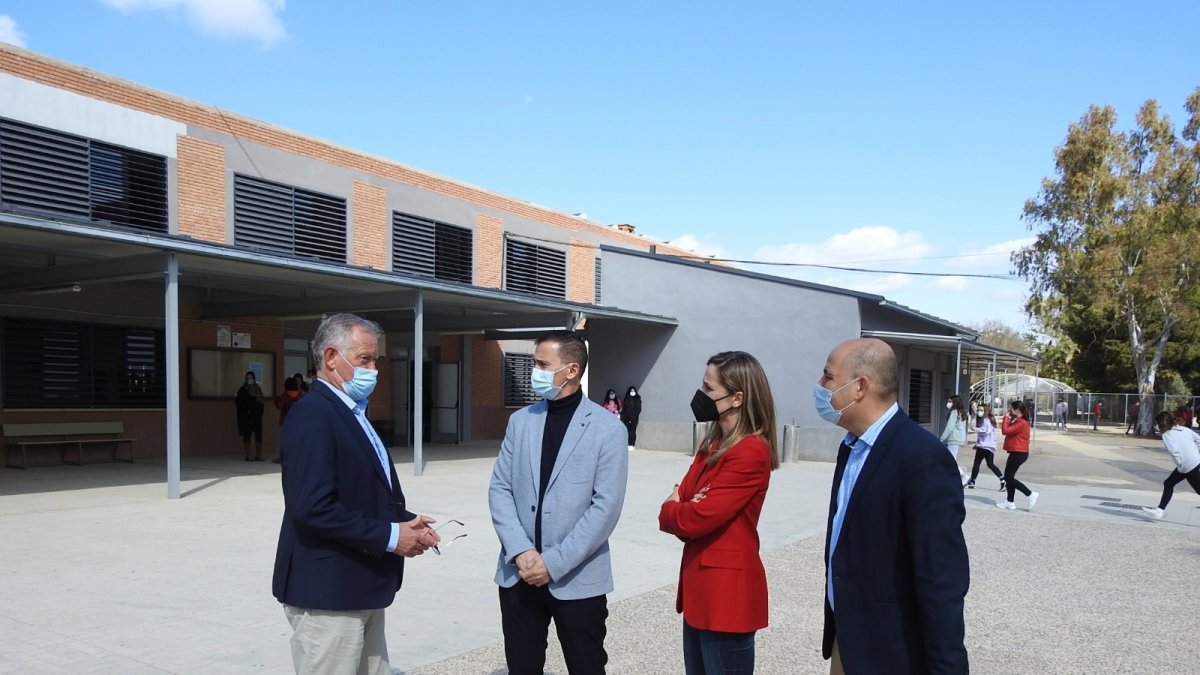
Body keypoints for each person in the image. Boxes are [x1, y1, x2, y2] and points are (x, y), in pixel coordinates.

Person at [272, 313, 441, 675]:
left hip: (360, 585)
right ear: (331, 357)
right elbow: (312, 507)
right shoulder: (313, 415)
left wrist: (405, 522)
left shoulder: (351, 412)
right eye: (365, 359)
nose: (374, 369)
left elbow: (361, 490)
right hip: (328, 594)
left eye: (375, 359)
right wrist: (392, 536)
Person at [815, 338, 969, 673]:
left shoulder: (922, 458)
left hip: (892, 653)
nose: (820, 386)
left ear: (860, 387)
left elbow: (941, 579)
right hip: (850, 641)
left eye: (827, 377)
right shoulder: (852, 447)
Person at [488, 330, 629, 675]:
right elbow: (500, 490)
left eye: (540, 364)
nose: (534, 371)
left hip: (577, 577)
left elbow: (604, 509)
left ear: (571, 370)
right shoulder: (521, 422)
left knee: (586, 666)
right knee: (522, 667)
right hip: (518, 574)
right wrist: (521, 551)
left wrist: (552, 563)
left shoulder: (607, 429)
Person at [659, 351, 779, 674]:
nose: (702, 395)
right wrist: (682, 506)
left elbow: (696, 518)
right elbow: (683, 501)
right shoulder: (712, 442)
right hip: (701, 593)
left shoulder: (751, 451)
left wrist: (678, 509)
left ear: (737, 398)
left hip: (727, 599)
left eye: (709, 389)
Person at [1142, 411, 1200, 520]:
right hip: (1194, 462)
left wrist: (1180, 464)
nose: (1156, 425)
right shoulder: (1185, 429)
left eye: (1157, 423)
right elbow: (1198, 440)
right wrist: (1195, 453)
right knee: (1168, 483)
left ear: (1162, 423)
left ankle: (1159, 511)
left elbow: (1174, 452)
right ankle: (1159, 510)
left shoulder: (1167, 435)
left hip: (1186, 465)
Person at [996, 400, 1039, 511]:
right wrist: (1010, 419)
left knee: (1008, 477)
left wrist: (1005, 418)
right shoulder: (1019, 421)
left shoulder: (1021, 423)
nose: (1009, 410)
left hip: (1019, 452)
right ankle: (1010, 502)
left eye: (1011, 409)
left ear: (1017, 410)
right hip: (1016, 451)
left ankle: (1029, 494)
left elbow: (1006, 431)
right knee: (1009, 477)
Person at [965, 403, 1005, 491]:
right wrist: (977, 443)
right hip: (990, 446)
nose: (979, 412)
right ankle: (1002, 479)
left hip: (984, 446)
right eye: (978, 410)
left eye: (981, 410)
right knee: (990, 464)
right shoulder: (990, 420)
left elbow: (985, 431)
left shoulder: (985, 420)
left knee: (977, 464)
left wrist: (974, 429)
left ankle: (972, 481)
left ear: (986, 411)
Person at [272, 377, 304, 464]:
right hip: (298, 422)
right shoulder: (300, 395)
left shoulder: (285, 395)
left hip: (285, 421)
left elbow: (279, 405)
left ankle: (281, 457)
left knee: (283, 441)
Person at [235, 370, 265, 461]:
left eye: (251, 378)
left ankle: (258, 455)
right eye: (248, 378)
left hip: (256, 416)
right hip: (247, 416)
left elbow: (261, 401)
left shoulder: (258, 389)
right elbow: (240, 403)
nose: (250, 380)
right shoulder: (243, 390)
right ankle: (248, 455)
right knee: (247, 435)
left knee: (258, 435)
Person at [938, 394, 968, 480]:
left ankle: (963, 476)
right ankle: (951, 477)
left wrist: (942, 438)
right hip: (958, 438)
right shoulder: (963, 412)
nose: (948, 403)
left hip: (954, 438)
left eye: (950, 401)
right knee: (950, 458)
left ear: (955, 402)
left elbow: (949, 427)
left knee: (951, 459)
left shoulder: (954, 412)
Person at [620, 385, 642, 450]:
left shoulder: (638, 398)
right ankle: (627, 444)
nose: (632, 392)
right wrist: (627, 416)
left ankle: (632, 444)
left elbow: (639, 409)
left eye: (633, 391)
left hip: (634, 419)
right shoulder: (627, 398)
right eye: (631, 391)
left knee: (632, 431)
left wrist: (633, 417)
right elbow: (625, 408)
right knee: (627, 431)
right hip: (627, 418)